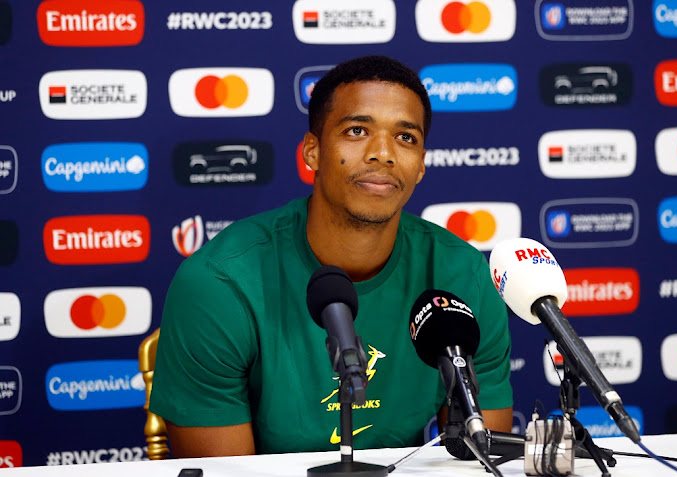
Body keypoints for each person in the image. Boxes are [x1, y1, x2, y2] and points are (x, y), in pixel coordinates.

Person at [150, 55, 513, 457]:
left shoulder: (462, 276)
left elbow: (479, 460)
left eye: (405, 137)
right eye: (357, 130)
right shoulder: (219, 283)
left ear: (421, 166)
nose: (383, 153)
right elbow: (225, 473)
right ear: (312, 152)